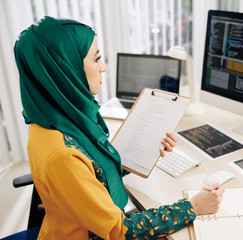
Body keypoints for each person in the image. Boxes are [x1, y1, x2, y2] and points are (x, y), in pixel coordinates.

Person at [14, 16, 224, 240]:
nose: (103, 68)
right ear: (65, 68)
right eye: (96, 60)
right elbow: (120, 230)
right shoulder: (63, 155)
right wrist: (192, 207)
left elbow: (92, 170)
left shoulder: (53, 117)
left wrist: (146, 147)